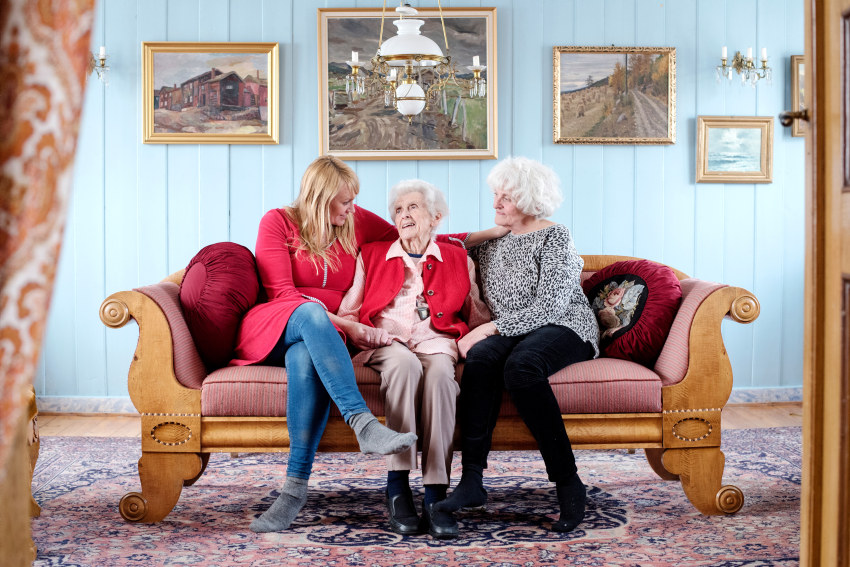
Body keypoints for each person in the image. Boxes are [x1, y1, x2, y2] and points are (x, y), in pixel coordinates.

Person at [233, 155, 502, 533]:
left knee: (304, 360)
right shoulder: (277, 222)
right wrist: (351, 325)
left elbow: (418, 236)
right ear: (322, 196)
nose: (352, 208)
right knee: (310, 316)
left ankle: (293, 491)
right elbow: (282, 294)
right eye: (345, 201)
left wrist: (486, 235)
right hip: (283, 321)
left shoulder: (352, 222)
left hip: (326, 338)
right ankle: (363, 424)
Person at [435, 156, 600, 533]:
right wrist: (481, 235)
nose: (495, 204)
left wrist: (488, 329)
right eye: (495, 195)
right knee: (480, 360)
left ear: (528, 200)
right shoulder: (493, 242)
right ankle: (472, 481)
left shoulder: (555, 236)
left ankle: (567, 481)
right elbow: (438, 243)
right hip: (514, 330)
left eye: (505, 197)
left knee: (521, 367)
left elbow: (551, 307)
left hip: (564, 325)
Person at [337, 180, 490, 539]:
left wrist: (486, 338)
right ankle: (398, 485)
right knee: (404, 366)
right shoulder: (372, 254)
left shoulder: (457, 257)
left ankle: (436, 491)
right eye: (398, 210)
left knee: (440, 378)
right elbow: (350, 310)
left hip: (438, 342)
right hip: (387, 341)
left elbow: (476, 312)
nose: (403, 215)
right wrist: (359, 334)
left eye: (413, 208)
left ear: (436, 217)